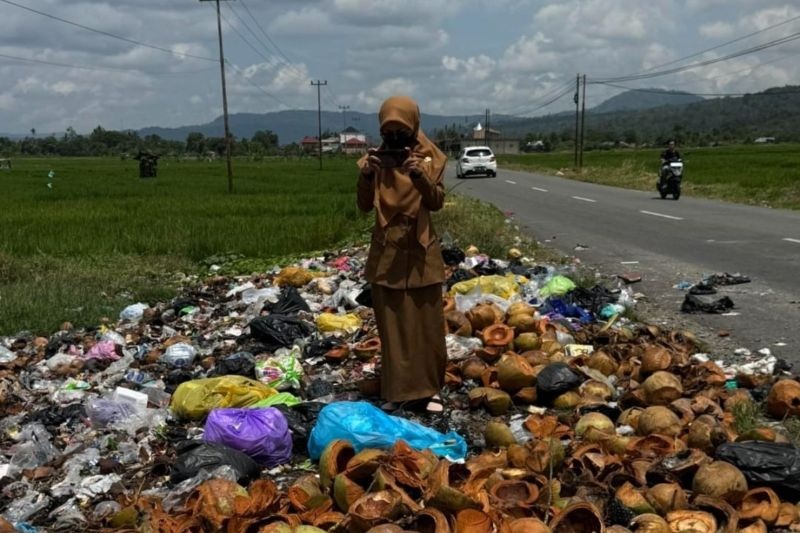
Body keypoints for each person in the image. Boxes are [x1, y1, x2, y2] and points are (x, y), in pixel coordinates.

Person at [356, 95, 448, 414]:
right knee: (392, 326)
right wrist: (368, 175)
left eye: (401, 131)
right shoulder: (375, 163)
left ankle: (431, 390)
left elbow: (436, 202)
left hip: (421, 251)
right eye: (388, 132)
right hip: (388, 252)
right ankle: (396, 390)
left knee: (428, 324)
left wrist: (418, 175)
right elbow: (365, 205)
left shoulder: (431, 158)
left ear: (414, 127)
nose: (395, 139)